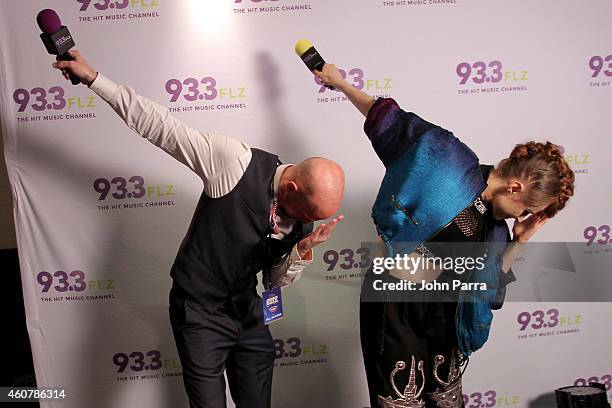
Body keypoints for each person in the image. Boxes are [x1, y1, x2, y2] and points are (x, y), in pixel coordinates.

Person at [53, 50, 346, 408]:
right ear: (292, 188)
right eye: (306, 213)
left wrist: (301, 251)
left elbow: (272, 280)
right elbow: (160, 126)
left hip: (248, 310)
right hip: (200, 310)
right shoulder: (233, 163)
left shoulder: (304, 213)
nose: (306, 222)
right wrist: (94, 78)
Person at [313, 63, 575, 408]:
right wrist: (340, 84)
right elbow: (388, 121)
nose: (521, 217)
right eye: (525, 209)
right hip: (396, 311)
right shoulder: (446, 159)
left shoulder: (497, 228)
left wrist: (519, 241)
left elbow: (490, 293)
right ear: (515, 187)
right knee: (400, 401)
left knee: (446, 402)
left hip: (443, 323)